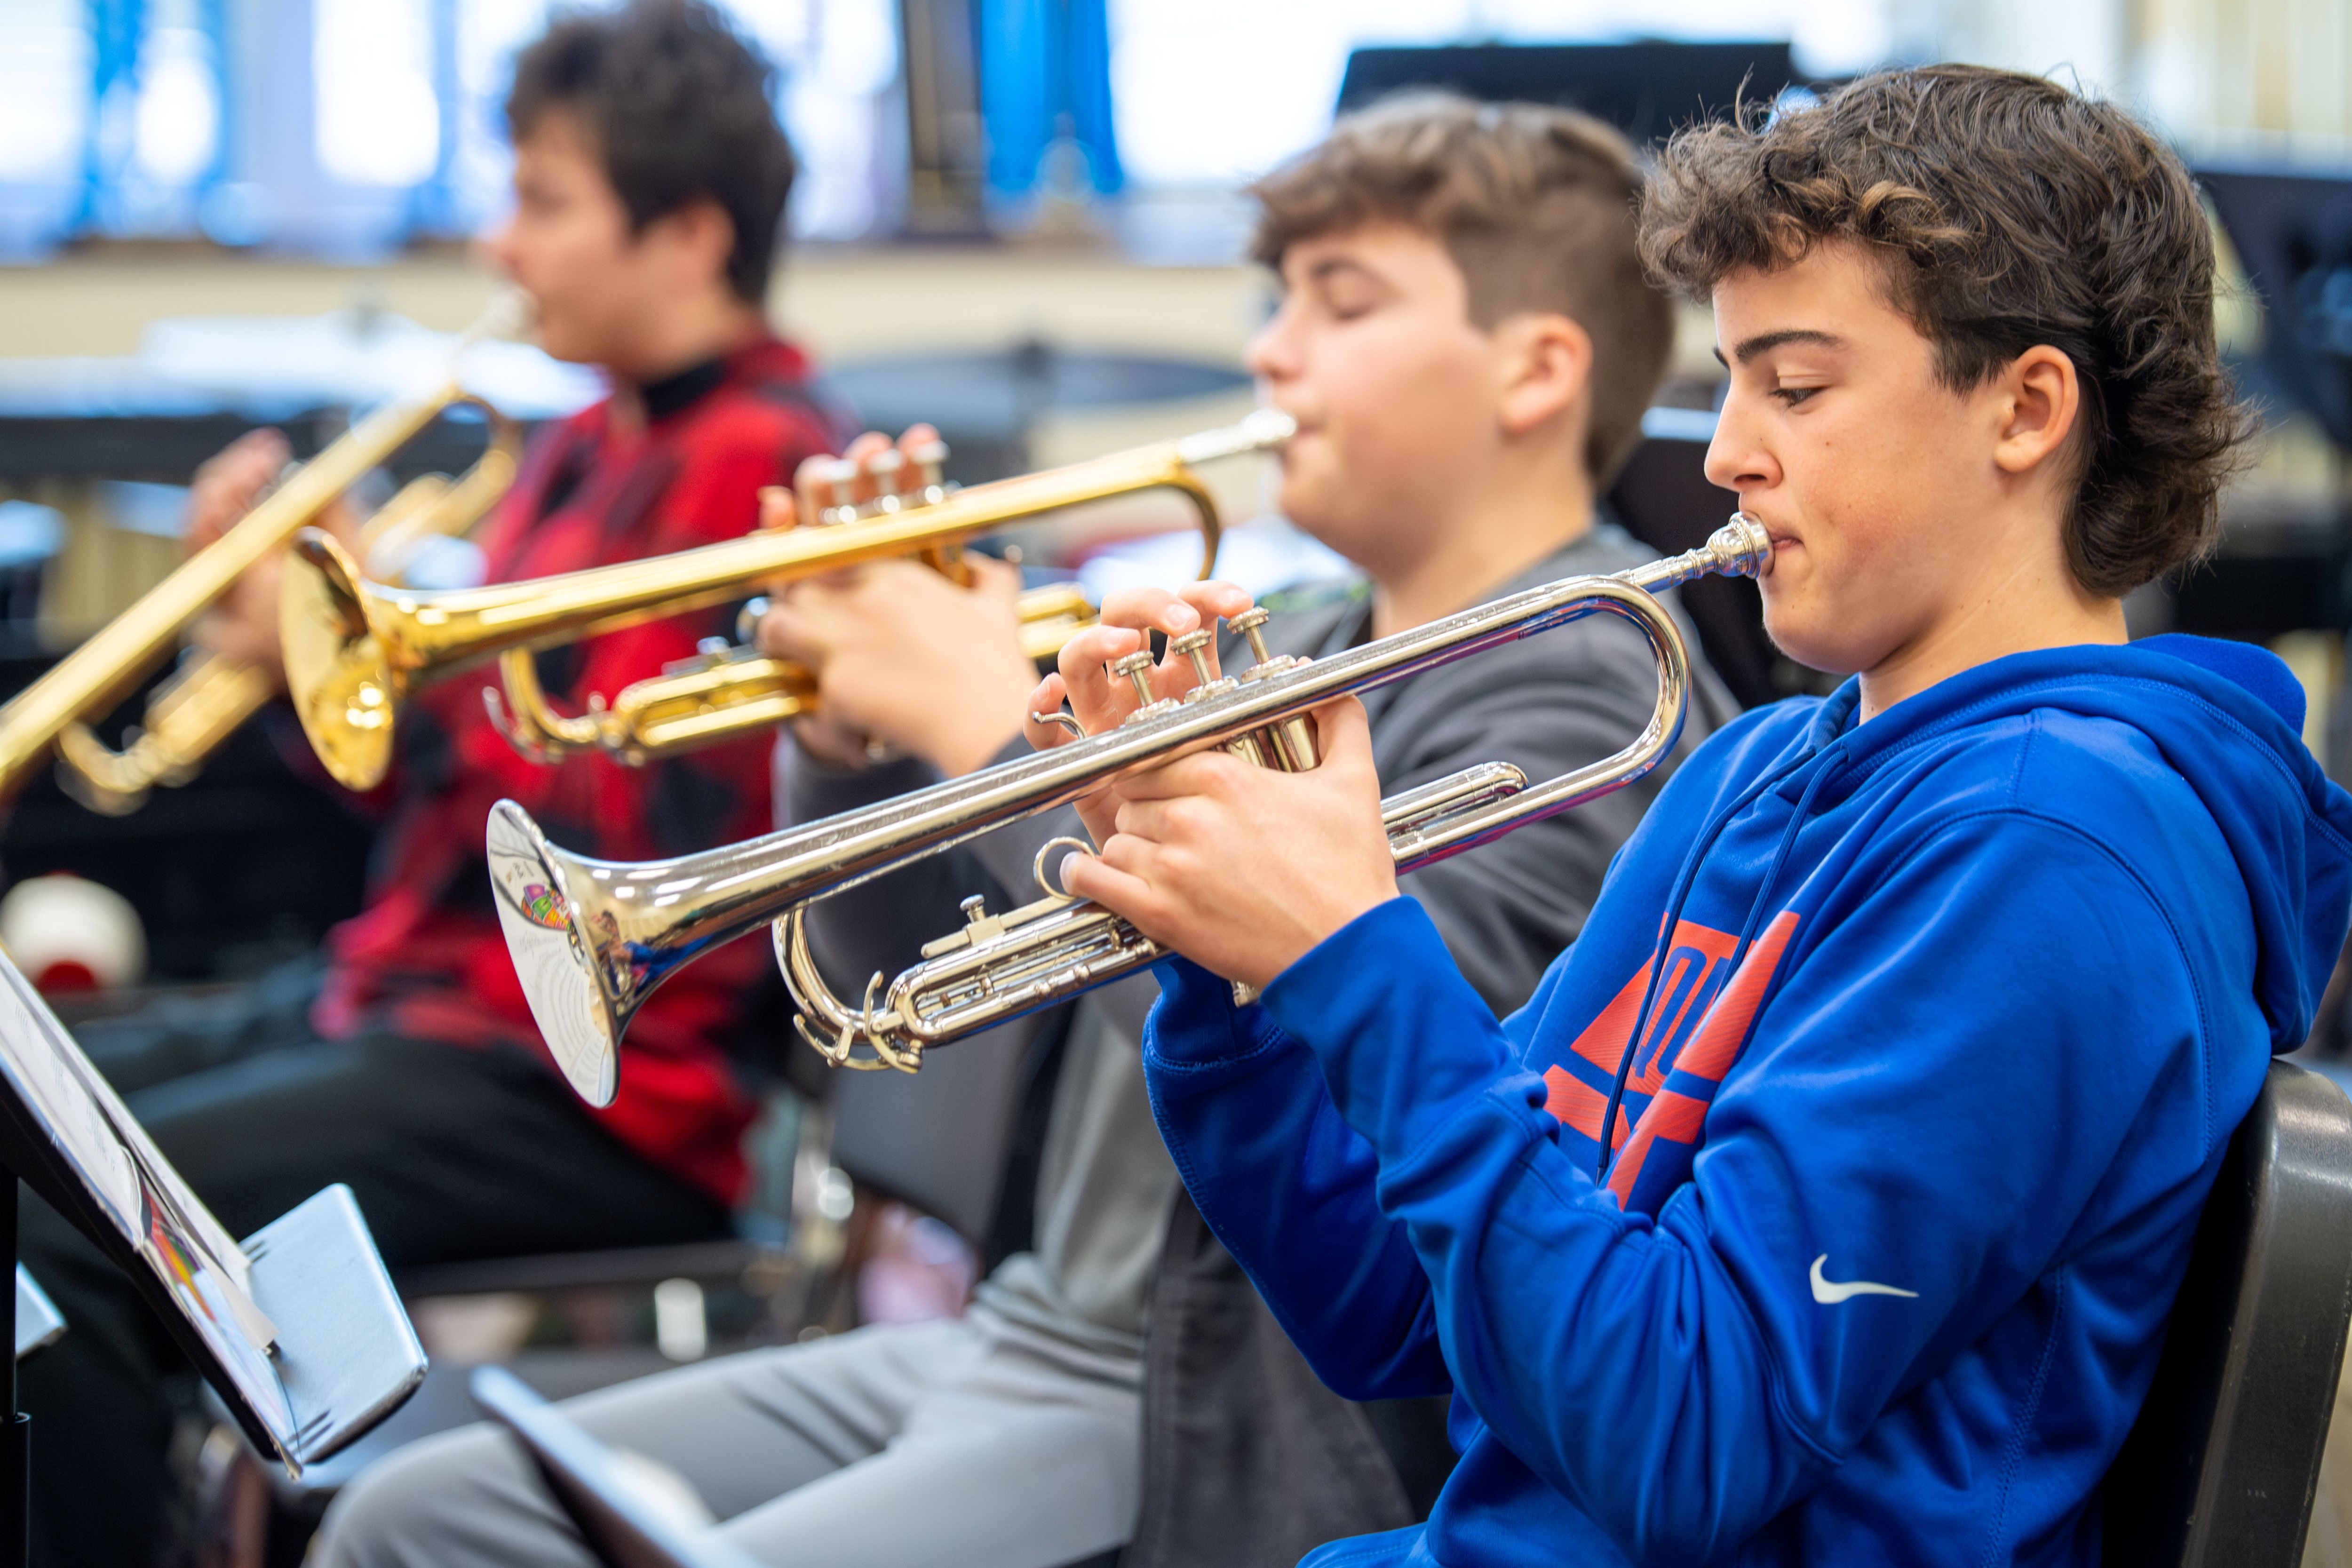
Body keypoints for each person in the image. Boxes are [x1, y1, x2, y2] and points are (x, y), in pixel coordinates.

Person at [314, 96, 1734, 1568]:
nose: (1271, 349)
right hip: (1021, 1326)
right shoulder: (1289, 632)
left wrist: (991, 730)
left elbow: (1368, 1095)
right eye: (1279, 298)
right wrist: (850, 748)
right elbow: (903, 996)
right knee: (418, 1520)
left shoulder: (1582, 678)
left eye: (1342, 303)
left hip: (1215, 1398)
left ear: (1536, 372)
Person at [1023, 64, 2352, 1568]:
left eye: (1795, 386)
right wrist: (1227, 964)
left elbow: (1680, 1441)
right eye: (1727, 380)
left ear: (2028, 409)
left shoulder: (2053, 852)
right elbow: (1390, 1312)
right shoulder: (1759, 769)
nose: (1725, 451)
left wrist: (1354, 953)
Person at [17, 5, 844, 1562]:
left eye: (542, 201)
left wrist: (382, 672)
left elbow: (632, 814)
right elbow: (425, 823)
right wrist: (294, 676)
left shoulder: (764, 468)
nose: (499, 240)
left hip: (597, 1086)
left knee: (68, 1231)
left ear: (686, 233)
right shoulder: (579, 444)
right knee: (39, 1117)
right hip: (419, 992)